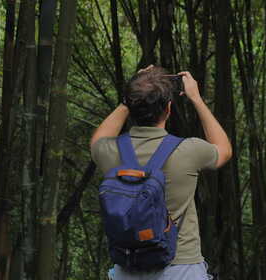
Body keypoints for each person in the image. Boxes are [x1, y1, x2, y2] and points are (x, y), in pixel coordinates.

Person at [90, 65, 232, 280]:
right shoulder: (189, 150)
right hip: (180, 268)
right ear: (168, 109)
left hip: (127, 268)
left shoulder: (110, 151)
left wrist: (128, 100)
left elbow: (97, 139)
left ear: (131, 106)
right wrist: (196, 99)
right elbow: (224, 149)